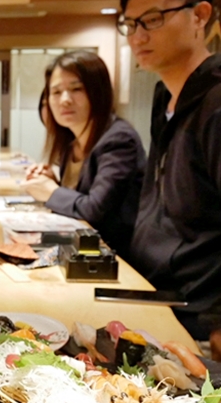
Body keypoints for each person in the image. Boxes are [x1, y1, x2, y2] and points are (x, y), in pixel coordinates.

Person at [120, 0, 221, 341]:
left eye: (153, 19)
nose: (137, 36)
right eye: (130, 24)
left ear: (200, 16)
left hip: (201, 325)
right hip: (154, 301)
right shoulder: (167, 97)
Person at [21, 51, 146, 257]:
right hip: (81, 250)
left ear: (98, 92)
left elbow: (97, 209)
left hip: (116, 259)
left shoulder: (119, 140)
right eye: (56, 92)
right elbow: (84, 193)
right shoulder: (71, 140)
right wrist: (53, 180)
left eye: (76, 89)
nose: (65, 100)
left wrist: (52, 192)